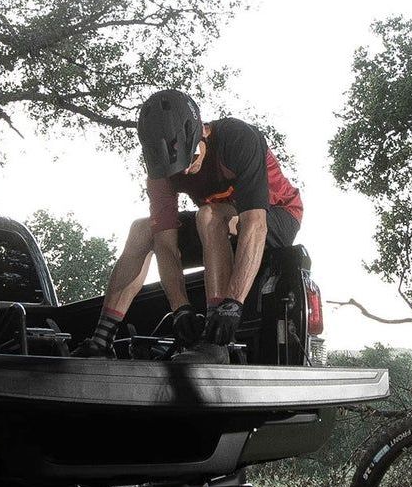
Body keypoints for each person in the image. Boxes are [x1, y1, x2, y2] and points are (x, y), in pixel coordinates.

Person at [76, 90, 303, 361]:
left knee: (208, 215)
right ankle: (101, 341)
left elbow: (255, 226)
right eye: (175, 169)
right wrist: (180, 308)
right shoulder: (160, 175)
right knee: (142, 230)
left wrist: (232, 304)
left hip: (277, 215)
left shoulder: (237, 138)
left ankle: (216, 345)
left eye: (190, 160)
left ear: (202, 134)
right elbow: (166, 245)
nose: (184, 172)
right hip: (224, 223)